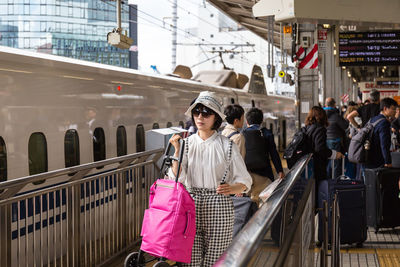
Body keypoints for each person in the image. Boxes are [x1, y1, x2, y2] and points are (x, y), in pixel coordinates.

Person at [168, 91, 252, 267]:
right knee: (189, 261)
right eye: (197, 112)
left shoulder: (227, 145)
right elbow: (177, 178)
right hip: (191, 205)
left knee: (215, 261)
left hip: (219, 206)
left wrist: (232, 188)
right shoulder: (185, 144)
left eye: (206, 113)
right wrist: (176, 151)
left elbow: (245, 181)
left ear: (216, 118)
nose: (200, 117)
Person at [242, 108, 284, 204]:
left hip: (247, 174)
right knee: (264, 204)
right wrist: (280, 171)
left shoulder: (242, 134)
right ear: (261, 121)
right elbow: (274, 154)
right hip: (264, 174)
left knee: (248, 203)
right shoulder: (267, 133)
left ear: (247, 121)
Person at [304, 106, 343, 182]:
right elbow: (320, 149)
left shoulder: (308, 127)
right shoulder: (320, 129)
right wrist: (335, 154)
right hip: (317, 166)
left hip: (309, 165)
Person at [363, 97, 398, 169]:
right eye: (393, 109)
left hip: (367, 156)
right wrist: (387, 161)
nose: (395, 111)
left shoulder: (373, 119)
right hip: (377, 159)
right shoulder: (384, 122)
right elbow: (384, 144)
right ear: (385, 109)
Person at [324, 98, 349, 178]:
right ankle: (334, 183)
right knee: (335, 163)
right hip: (334, 141)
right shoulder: (336, 115)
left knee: (327, 162)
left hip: (323, 140)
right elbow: (345, 126)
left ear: (325, 104)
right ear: (334, 105)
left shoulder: (321, 114)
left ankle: (326, 181)